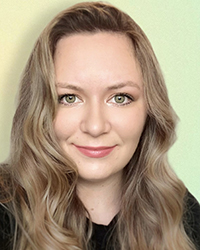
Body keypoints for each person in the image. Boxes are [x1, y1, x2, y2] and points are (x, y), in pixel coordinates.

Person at [0, 2, 200, 250]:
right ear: (38, 108)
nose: (95, 127)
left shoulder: (182, 214)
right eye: (69, 98)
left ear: (151, 109)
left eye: (120, 98)